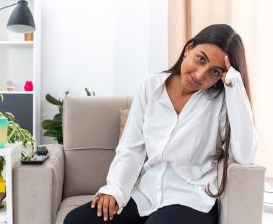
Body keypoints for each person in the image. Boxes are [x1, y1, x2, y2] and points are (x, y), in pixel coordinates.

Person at [63, 24, 257, 224]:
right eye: (201, 59)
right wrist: (114, 190)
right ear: (189, 48)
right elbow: (131, 148)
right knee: (76, 220)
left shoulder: (221, 102)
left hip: (191, 199)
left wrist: (236, 87)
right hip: (145, 194)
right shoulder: (150, 87)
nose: (200, 75)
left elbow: (245, 154)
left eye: (214, 72)